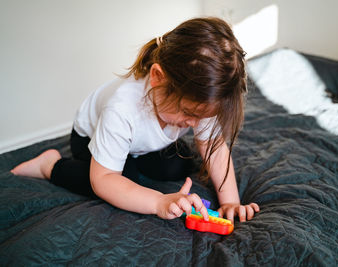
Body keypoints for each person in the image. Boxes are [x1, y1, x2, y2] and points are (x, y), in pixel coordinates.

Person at [11, 17, 259, 223]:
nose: (195, 123)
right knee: (123, 183)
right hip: (88, 137)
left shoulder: (201, 98)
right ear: (157, 77)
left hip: (140, 145)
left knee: (177, 166)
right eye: (189, 114)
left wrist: (230, 203)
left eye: (202, 117)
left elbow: (214, 147)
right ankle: (50, 165)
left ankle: (136, 160)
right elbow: (105, 180)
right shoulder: (122, 109)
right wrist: (159, 201)